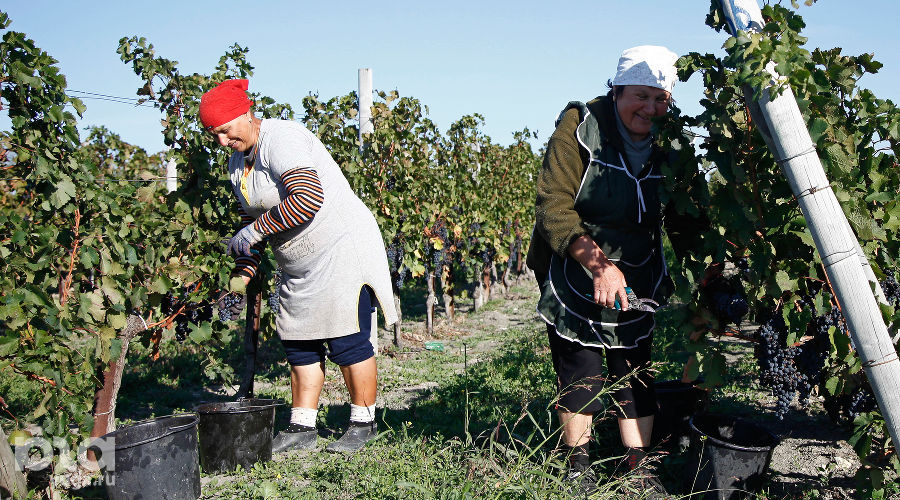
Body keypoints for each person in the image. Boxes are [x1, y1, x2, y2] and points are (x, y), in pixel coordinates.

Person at [198, 79, 398, 454]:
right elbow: (251, 228)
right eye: (215, 134)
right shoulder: (237, 165)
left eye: (224, 130)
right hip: (298, 262)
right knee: (299, 341)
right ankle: (302, 426)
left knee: (347, 336)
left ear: (245, 114)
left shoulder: (282, 138)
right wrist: (244, 267)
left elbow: (306, 197)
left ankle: (363, 422)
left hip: (340, 247)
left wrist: (255, 231)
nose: (222, 141)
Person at [526, 46, 688, 497]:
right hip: (579, 263)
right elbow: (553, 208)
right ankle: (577, 465)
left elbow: (685, 215)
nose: (651, 109)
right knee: (582, 366)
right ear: (616, 91)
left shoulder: (671, 141)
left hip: (639, 267)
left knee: (634, 365)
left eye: (661, 99)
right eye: (641, 96)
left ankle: (640, 470)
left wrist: (708, 268)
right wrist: (598, 265)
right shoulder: (580, 129)